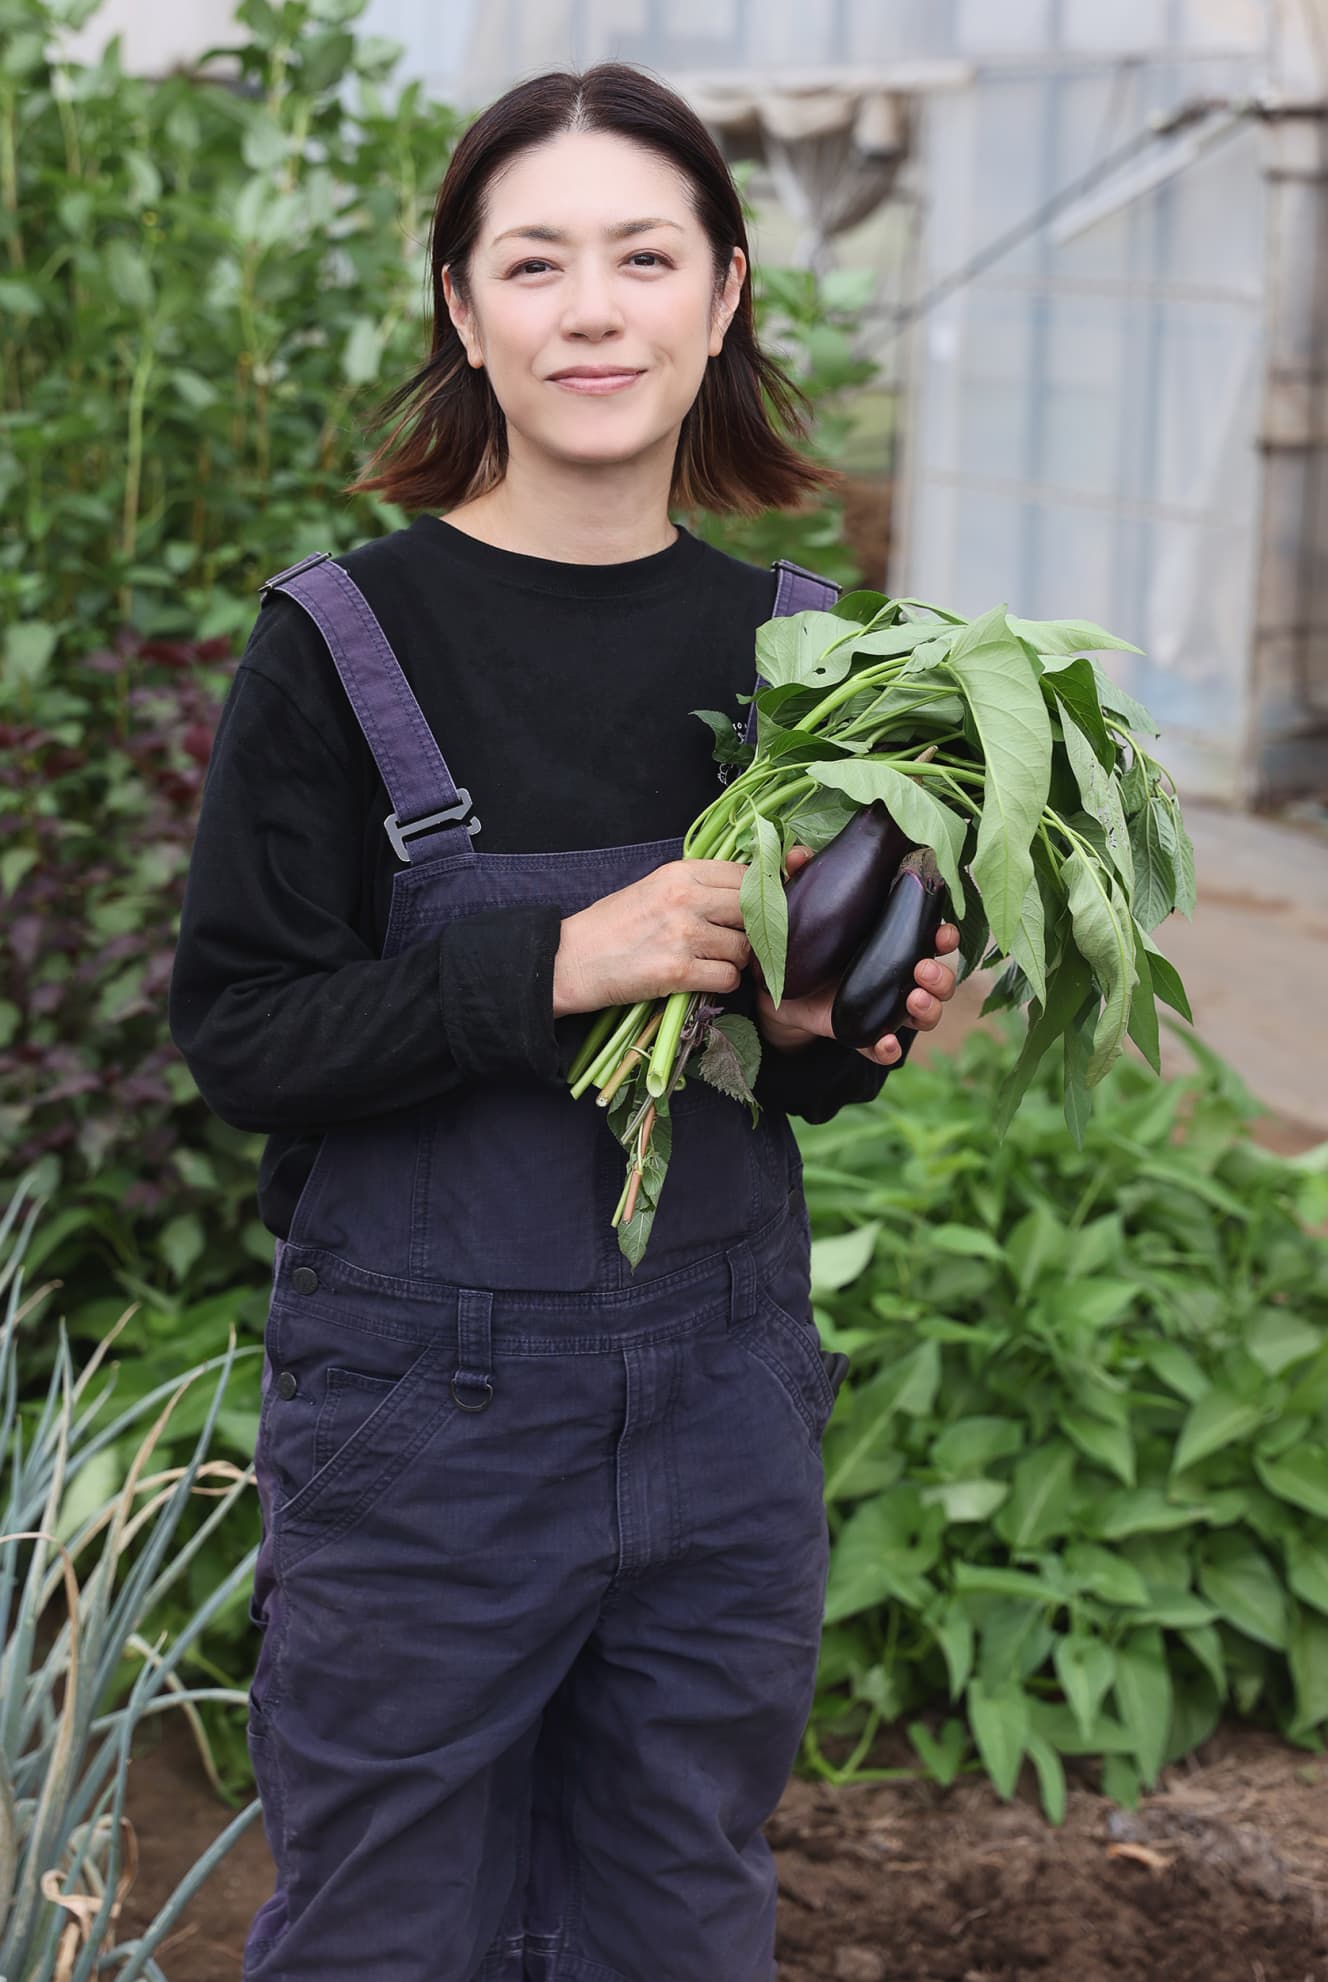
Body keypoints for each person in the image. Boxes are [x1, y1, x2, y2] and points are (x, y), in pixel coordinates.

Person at [169, 60, 960, 1982]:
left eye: (642, 255)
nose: (591, 309)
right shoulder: (340, 643)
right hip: (422, 1428)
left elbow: (798, 1075)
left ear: (726, 289)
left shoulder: (814, 662)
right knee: (388, 1926)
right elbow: (248, 1035)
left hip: (721, 1397)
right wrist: (550, 965)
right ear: (462, 305)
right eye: (534, 262)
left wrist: (852, 1021)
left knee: (678, 1907)